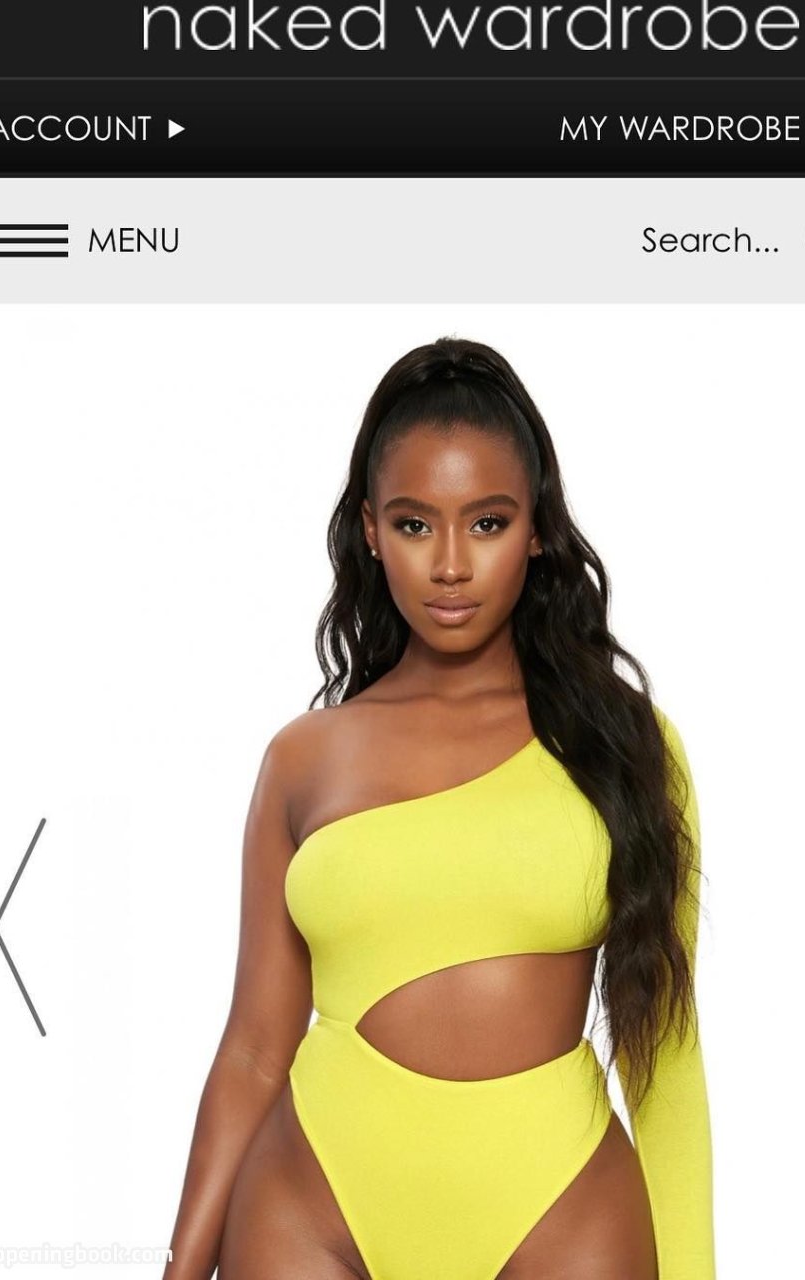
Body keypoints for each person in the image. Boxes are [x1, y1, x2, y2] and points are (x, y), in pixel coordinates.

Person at [164, 336, 715, 1280]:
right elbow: (254, 1050)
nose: (451, 565)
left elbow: (663, 1056)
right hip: (313, 1207)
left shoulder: (626, 746)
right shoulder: (303, 760)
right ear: (371, 531)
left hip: (561, 1210)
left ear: (536, 527)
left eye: (487, 522)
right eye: (415, 524)